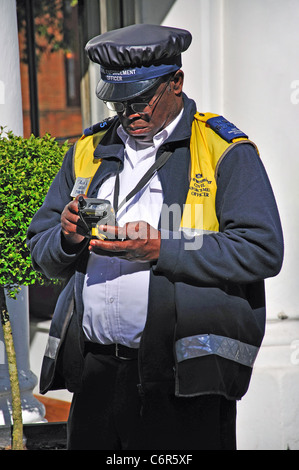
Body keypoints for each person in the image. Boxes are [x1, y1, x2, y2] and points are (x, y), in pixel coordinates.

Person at [27, 23, 284, 450]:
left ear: (176, 83)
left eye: (142, 99)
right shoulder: (86, 151)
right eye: (119, 102)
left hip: (183, 377)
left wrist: (162, 248)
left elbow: (261, 249)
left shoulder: (224, 150)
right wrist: (67, 237)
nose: (131, 114)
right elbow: (42, 248)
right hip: (97, 374)